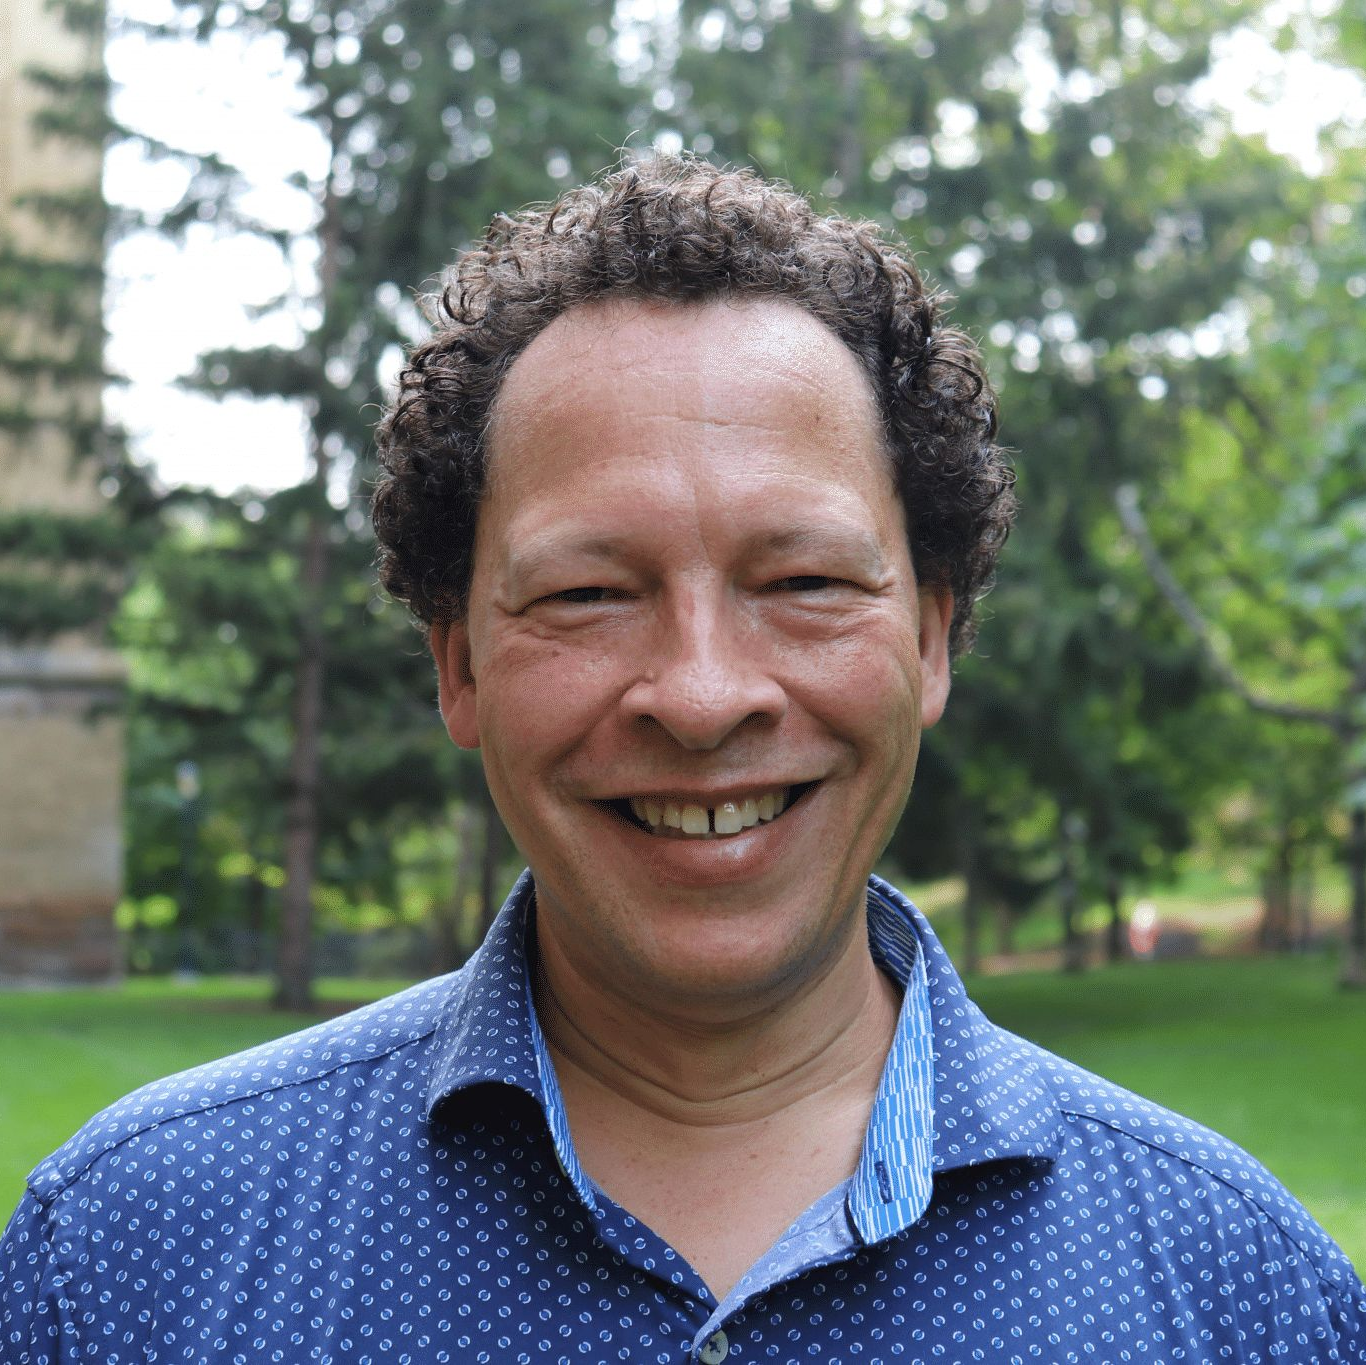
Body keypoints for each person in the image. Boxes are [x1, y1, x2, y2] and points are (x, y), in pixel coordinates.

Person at [3, 158, 1362, 1365]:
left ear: (932, 642)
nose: (702, 696)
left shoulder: (1239, 1296)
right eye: (588, 595)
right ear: (457, 666)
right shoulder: (124, 1264)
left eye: (808, 578)